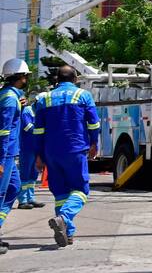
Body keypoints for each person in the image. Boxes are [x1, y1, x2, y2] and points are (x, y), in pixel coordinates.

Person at [33, 65, 100, 247]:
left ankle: (67, 233)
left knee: (61, 192)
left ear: (57, 79)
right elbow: (94, 124)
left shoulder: (44, 99)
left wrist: (38, 154)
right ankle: (64, 217)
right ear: (75, 79)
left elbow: (38, 130)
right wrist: (95, 143)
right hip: (75, 149)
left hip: (51, 152)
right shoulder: (83, 95)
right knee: (80, 190)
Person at [0, 58, 29, 254]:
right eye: (26, 76)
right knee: (1, 193)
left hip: (10, 153)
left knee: (13, 189)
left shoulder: (9, 95)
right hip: (5, 154)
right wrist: (1, 160)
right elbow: (3, 131)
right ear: (21, 77)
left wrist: (22, 105)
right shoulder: (10, 99)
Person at [17, 98, 44, 209]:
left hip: (36, 147)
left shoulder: (40, 112)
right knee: (25, 173)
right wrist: (43, 130)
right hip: (27, 147)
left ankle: (30, 198)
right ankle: (22, 201)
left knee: (34, 174)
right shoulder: (27, 111)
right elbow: (28, 127)